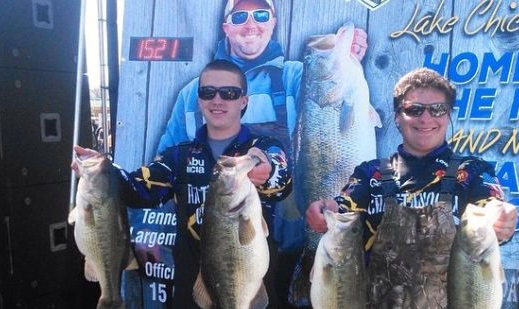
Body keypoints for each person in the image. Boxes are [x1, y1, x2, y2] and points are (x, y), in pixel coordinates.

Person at [73, 60, 292, 309]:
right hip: (195, 282)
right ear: (199, 99)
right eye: (208, 92)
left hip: (248, 280)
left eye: (229, 93)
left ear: (243, 101)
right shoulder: (178, 156)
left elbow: (279, 178)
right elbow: (138, 189)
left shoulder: (264, 147)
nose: (218, 100)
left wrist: (265, 168)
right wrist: (100, 173)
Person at [305, 67, 518, 309]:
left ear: (449, 115)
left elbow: (492, 204)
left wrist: (500, 216)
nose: (425, 118)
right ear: (397, 116)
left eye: (437, 109)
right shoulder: (372, 174)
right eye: (414, 109)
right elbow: (341, 208)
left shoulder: (471, 172)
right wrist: (323, 211)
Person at [156, 0, 368, 252]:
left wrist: (349, 54)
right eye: (239, 17)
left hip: (292, 235)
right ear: (226, 27)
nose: (250, 24)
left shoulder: (298, 77)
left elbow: (333, 97)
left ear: (273, 23)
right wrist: (151, 226)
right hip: (218, 234)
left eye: (260, 15)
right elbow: (164, 168)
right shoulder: (192, 93)